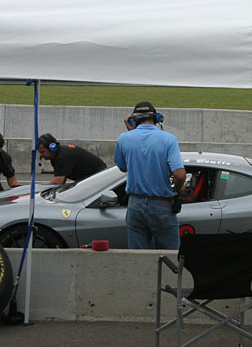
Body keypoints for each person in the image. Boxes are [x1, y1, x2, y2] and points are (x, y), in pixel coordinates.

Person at [113, 101, 185, 250]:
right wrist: (178, 190)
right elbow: (179, 175)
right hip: (161, 203)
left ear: (133, 120)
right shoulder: (168, 139)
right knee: (170, 256)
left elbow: (122, 167)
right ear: (157, 119)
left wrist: (130, 131)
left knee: (138, 257)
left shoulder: (124, 138)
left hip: (135, 204)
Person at [36, 133, 106, 185]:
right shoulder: (58, 155)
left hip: (99, 178)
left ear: (52, 148)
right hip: (93, 178)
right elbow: (62, 180)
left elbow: (58, 182)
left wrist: (40, 189)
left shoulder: (62, 157)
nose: (41, 155)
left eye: (42, 152)